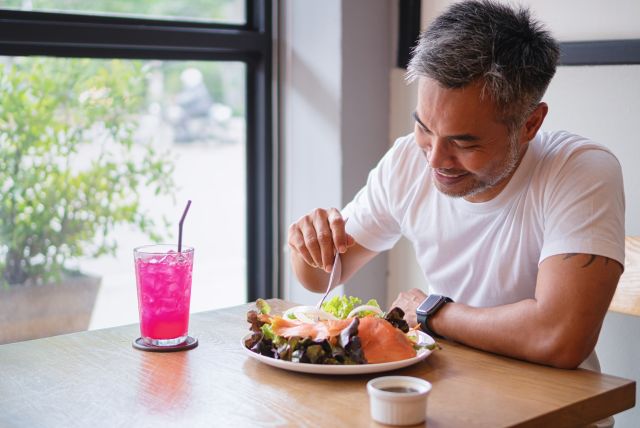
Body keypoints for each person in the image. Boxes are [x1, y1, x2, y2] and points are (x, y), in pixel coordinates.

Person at [287, 0, 624, 375]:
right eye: (424, 129)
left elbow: (560, 338)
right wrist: (308, 243)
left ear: (530, 124)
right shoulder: (406, 161)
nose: (434, 160)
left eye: (464, 143)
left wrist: (433, 312)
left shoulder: (579, 170)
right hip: (453, 388)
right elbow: (320, 276)